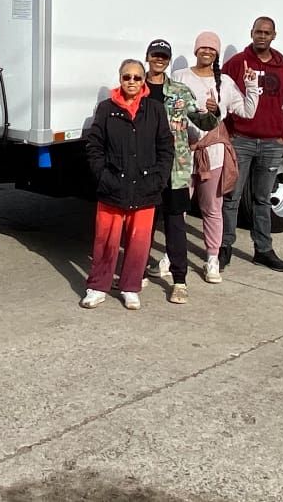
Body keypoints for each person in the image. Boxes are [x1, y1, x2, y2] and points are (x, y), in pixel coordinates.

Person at [81, 58, 174, 310]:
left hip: (146, 187)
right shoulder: (106, 108)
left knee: (139, 242)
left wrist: (159, 178)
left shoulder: (154, 109)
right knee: (105, 241)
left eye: (136, 77)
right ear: (120, 79)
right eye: (126, 77)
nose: (131, 82)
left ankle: (130, 287)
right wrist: (102, 175)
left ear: (144, 81)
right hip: (112, 185)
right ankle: (97, 286)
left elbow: (166, 146)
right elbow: (94, 145)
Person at [171, 31, 262, 284]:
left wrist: (251, 85)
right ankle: (172, 254)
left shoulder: (226, 83)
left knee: (212, 208)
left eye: (212, 49)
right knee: (178, 207)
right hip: (184, 153)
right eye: (203, 48)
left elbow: (248, 111)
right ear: (195, 50)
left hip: (214, 154)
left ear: (216, 54)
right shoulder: (180, 77)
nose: (207, 52)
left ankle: (212, 257)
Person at [141, 39, 217, 305]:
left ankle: (179, 280)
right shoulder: (137, 88)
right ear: (148, 57)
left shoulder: (181, 91)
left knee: (175, 225)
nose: (159, 60)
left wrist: (212, 112)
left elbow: (203, 121)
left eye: (163, 56)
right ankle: (137, 274)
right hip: (145, 169)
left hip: (175, 169)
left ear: (168, 60)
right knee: (143, 225)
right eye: (155, 55)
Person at [220, 16, 283, 273]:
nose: (261, 36)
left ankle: (263, 250)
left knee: (263, 199)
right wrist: (229, 133)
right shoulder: (236, 64)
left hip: (271, 144)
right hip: (241, 140)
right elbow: (223, 96)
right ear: (251, 33)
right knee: (231, 196)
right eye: (257, 31)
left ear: (274, 35)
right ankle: (224, 247)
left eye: (266, 32)